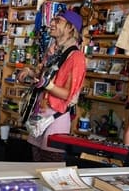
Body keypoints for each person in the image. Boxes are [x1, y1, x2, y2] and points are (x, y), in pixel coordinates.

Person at [17, 10, 86, 162]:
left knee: (49, 168)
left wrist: (46, 84)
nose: (52, 23)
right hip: (39, 117)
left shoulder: (77, 57)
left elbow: (68, 94)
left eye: (58, 21)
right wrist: (28, 71)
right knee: (34, 167)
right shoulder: (53, 52)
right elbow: (40, 75)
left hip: (56, 119)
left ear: (70, 28)